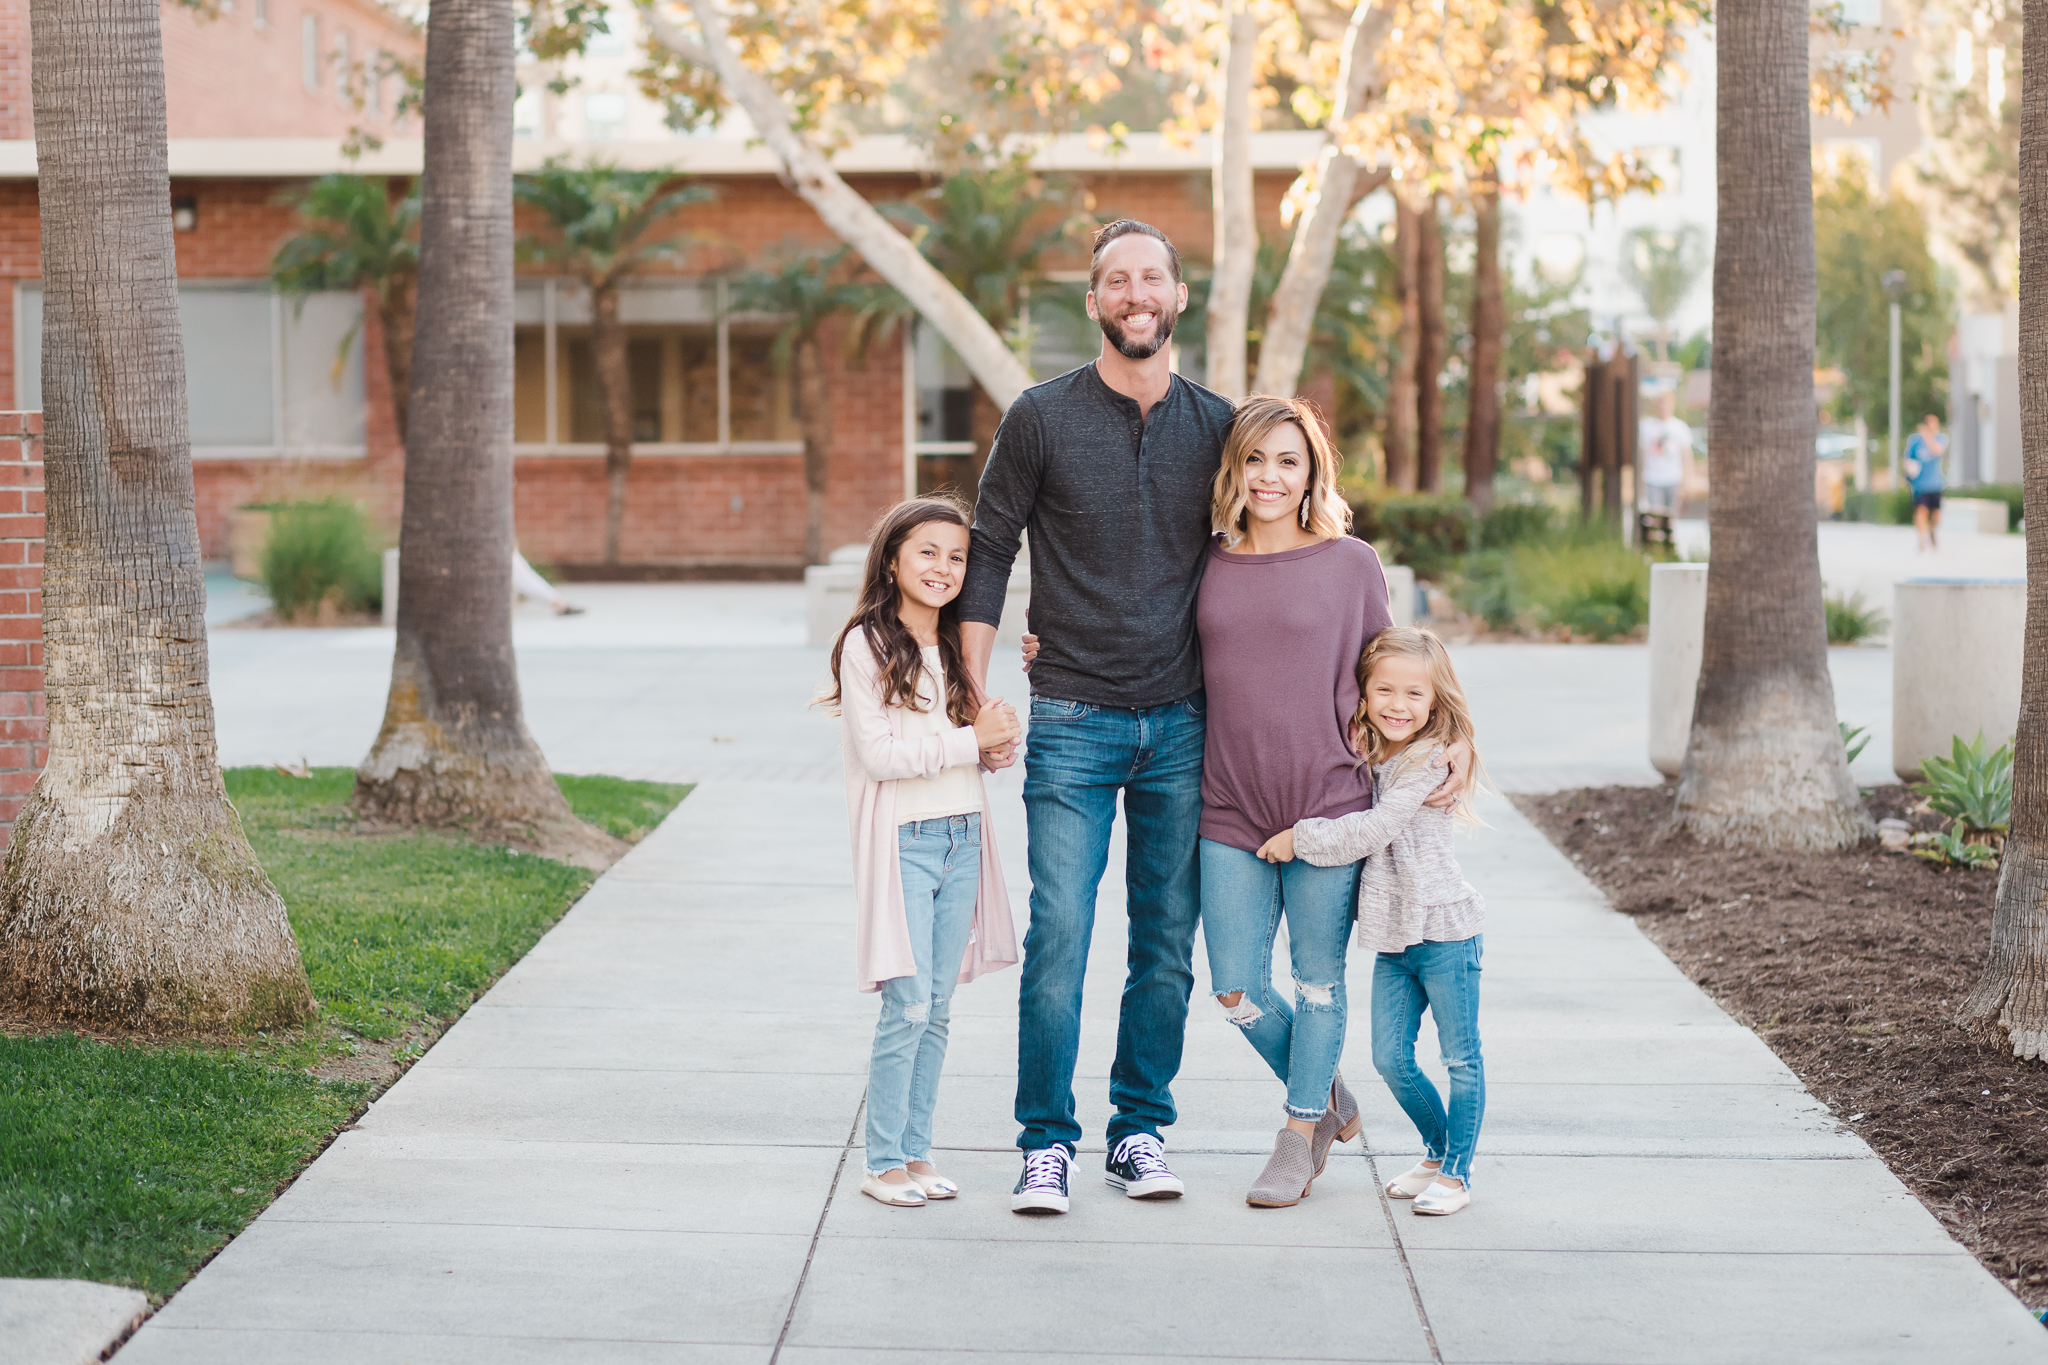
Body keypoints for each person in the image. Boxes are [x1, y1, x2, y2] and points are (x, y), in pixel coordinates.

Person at [958, 220, 1233, 1215]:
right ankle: (1045, 1144)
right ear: (1092, 302)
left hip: (1184, 720)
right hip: (1070, 716)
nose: (1133, 294)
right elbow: (987, 551)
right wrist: (973, 698)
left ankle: (1138, 1129)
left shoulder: (1219, 426)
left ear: (1176, 295)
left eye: (1149, 277)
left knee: (1165, 939)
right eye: (1114, 280)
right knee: (1063, 931)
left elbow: (1268, 553)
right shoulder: (1039, 417)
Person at [1192, 395, 1391, 1208]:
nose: (1269, 477)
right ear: (1232, 468)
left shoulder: (1351, 563)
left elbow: (1394, 678)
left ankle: (1300, 1127)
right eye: (1255, 460)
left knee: (1317, 983)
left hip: (1329, 805)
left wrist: (1439, 756)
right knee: (1237, 990)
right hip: (1229, 804)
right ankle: (1332, 1096)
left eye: (1288, 461)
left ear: (1312, 472)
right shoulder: (1203, 558)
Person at [822, 495, 1023, 1208]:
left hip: (963, 835)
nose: (944, 567)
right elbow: (882, 755)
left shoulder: (956, 647)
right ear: (894, 559)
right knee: (907, 1005)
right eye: (928, 552)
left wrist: (992, 746)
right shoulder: (867, 644)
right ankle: (881, 1162)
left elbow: (958, 745)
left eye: (957, 556)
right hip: (905, 843)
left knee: (937, 1007)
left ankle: (916, 1151)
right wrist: (971, 740)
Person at [1260, 627, 1488, 1217]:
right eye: (1385, 690)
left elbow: (1374, 828)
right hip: (1396, 936)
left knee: (1461, 1058)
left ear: (1435, 702)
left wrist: (1299, 839)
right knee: (1391, 1058)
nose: (1398, 705)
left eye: (1415, 695)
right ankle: (1437, 1153)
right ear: (1363, 692)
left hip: (1445, 931)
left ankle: (1459, 1174)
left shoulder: (1428, 760)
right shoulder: (1370, 748)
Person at [1637, 390, 1693, 514]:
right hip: (1652, 479)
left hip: (1674, 479)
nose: (1663, 407)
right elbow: (1640, 454)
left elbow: (1687, 456)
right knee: (1655, 516)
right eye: (1660, 403)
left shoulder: (1680, 427)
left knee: (1672, 518)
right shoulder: (1645, 426)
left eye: (1666, 403)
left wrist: (1688, 480)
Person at [1903, 413, 1947, 552]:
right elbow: (1907, 459)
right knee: (1921, 511)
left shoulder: (1940, 438)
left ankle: (1932, 530)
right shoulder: (1914, 441)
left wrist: (1928, 436)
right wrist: (1910, 469)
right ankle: (1922, 538)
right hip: (1919, 485)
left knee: (1936, 515)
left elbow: (1937, 451)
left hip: (1936, 483)